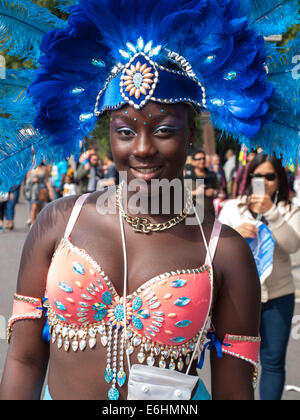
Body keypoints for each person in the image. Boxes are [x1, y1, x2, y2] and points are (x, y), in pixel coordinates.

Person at [0, 0, 298, 402]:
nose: (142, 149)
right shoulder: (58, 222)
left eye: (163, 130)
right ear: (111, 135)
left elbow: (235, 391)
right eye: (125, 132)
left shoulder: (224, 253)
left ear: (190, 134)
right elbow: (24, 361)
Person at [219, 154, 300, 400]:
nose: (263, 181)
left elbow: (292, 245)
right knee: (238, 362)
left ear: (280, 179)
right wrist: (234, 235)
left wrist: (272, 213)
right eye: (257, 176)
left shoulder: (289, 208)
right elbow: (216, 248)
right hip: (238, 298)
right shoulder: (233, 207)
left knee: (273, 362)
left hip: (278, 297)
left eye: (270, 176)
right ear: (249, 177)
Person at [186, 150, 220, 216]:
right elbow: (182, 195)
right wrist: (196, 192)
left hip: (210, 213)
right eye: (199, 159)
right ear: (193, 161)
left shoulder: (211, 175)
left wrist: (214, 192)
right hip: (194, 214)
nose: (202, 161)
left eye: (203, 158)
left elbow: (218, 189)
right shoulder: (188, 176)